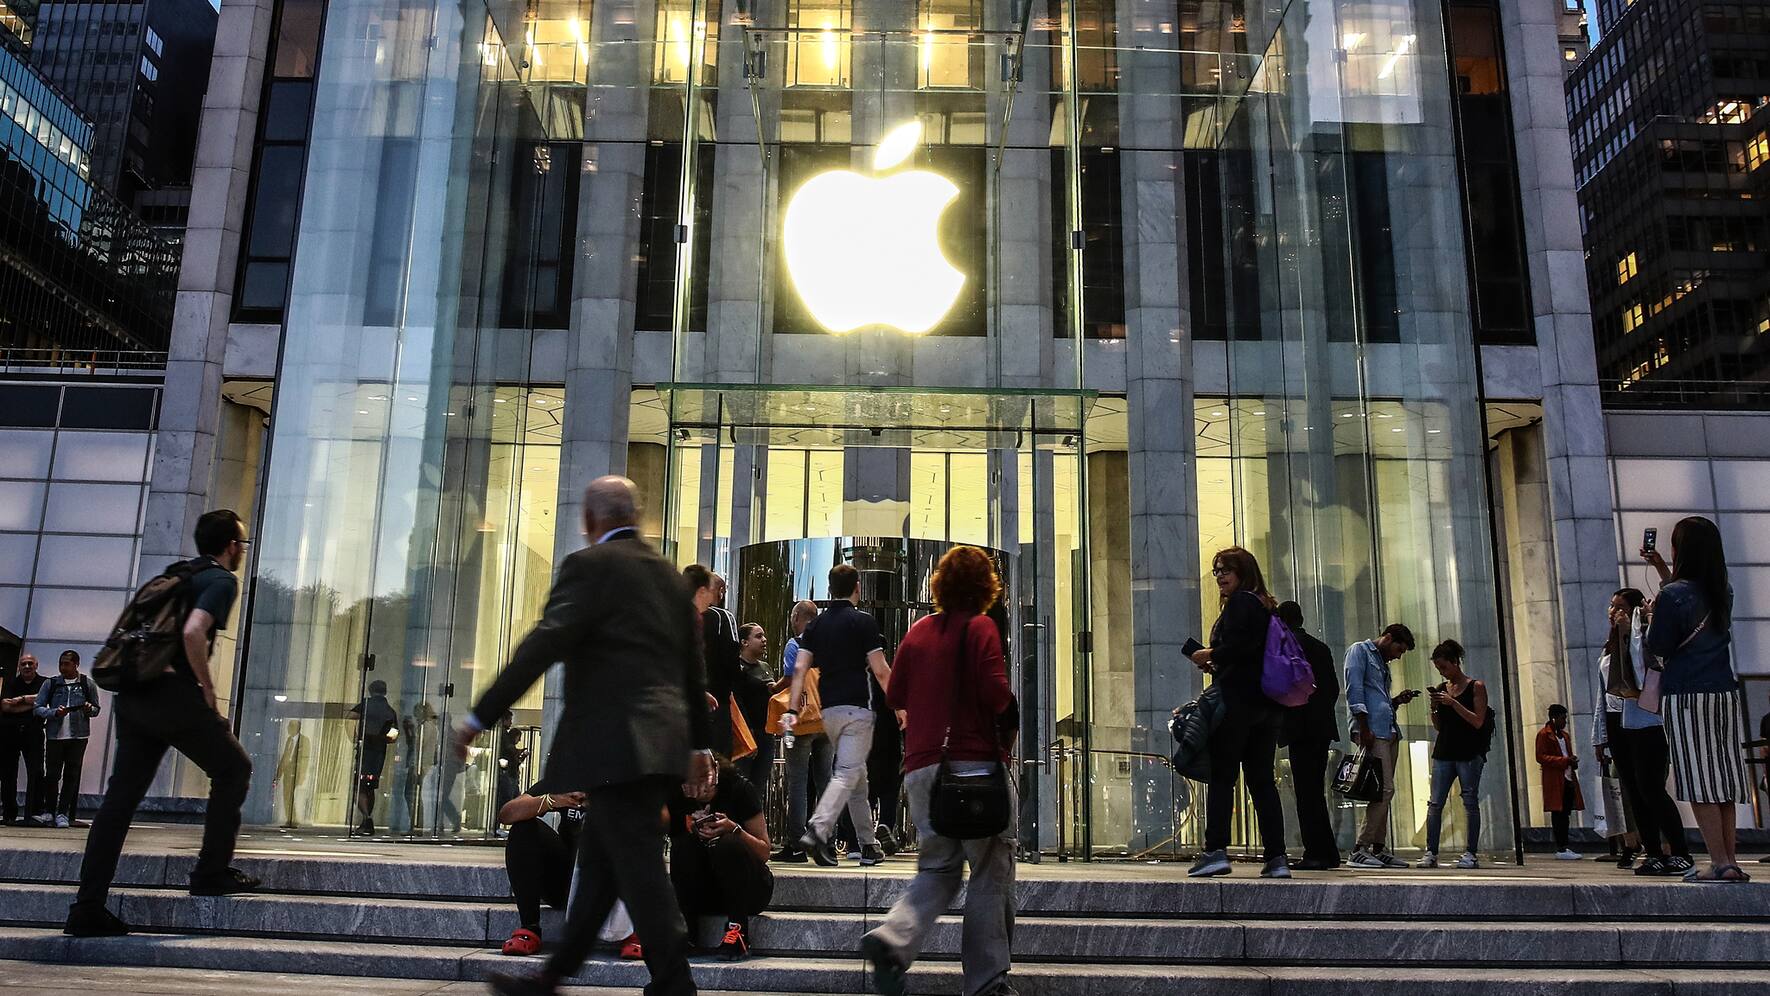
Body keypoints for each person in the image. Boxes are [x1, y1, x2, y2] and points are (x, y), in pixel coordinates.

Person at [462, 476, 717, 996]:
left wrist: (479, 716)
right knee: (601, 864)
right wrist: (697, 744)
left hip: (614, 744)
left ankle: (675, 983)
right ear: (636, 516)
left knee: (640, 866)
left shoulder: (588, 567)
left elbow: (543, 644)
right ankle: (551, 980)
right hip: (660, 744)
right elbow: (693, 669)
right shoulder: (669, 577)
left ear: (589, 519)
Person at [66, 510, 259, 938]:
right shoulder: (221, 580)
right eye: (241, 545)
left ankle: (88, 906)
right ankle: (210, 873)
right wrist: (206, 688)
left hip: (134, 696)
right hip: (173, 696)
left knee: (119, 802)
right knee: (233, 768)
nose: (241, 552)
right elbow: (194, 632)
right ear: (230, 545)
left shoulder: (175, 574)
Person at [860, 545, 1017, 996]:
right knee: (989, 870)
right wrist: (1007, 712)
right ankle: (986, 982)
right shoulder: (981, 628)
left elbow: (896, 696)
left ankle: (893, 940)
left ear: (940, 585)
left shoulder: (919, 631)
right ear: (986, 587)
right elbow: (995, 693)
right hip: (973, 769)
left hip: (923, 768)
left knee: (938, 868)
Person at [1644, 515, 1750, 882]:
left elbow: (1657, 648)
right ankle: (1730, 859)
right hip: (1724, 693)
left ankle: (1718, 862)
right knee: (1722, 777)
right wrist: (1660, 568)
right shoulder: (1725, 590)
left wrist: (1649, 620)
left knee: (1699, 777)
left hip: (1686, 695)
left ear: (1680, 550)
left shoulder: (1672, 596)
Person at [1188, 546, 1290, 879]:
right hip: (1266, 706)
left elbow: (1242, 649)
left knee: (1223, 777)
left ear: (1242, 570)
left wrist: (1210, 653)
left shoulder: (1242, 602)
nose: (1219, 575)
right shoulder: (1264, 604)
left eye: (1225, 569)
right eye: (1216, 570)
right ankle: (1276, 857)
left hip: (1237, 703)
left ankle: (1215, 849)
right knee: (1261, 782)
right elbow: (1254, 652)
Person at [783, 563, 891, 868]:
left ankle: (868, 846)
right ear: (857, 586)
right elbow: (881, 671)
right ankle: (819, 827)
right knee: (846, 773)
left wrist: (792, 708)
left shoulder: (815, 626)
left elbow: (800, 669)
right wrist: (901, 705)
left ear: (830, 588)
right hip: (857, 709)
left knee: (857, 778)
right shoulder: (864, 622)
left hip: (828, 711)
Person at [1600, 587, 1692, 877]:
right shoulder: (1611, 642)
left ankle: (1679, 851)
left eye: (1621, 607)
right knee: (1635, 791)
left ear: (1636, 609)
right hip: (1620, 720)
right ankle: (1651, 851)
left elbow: (1643, 672)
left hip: (1648, 719)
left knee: (1652, 788)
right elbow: (1602, 694)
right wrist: (1599, 734)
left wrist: (1632, 631)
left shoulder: (1644, 637)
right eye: (1612, 607)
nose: (1614, 612)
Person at [497, 785, 640, 961]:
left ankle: (635, 931)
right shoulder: (569, 778)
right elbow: (507, 814)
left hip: (612, 883)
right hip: (568, 882)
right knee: (523, 827)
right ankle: (529, 928)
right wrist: (552, 799)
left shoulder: (627, 779)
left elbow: (662, 821)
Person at [668, 756, 774, 961]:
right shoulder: (678, 796)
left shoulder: (740, 789)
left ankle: (738, 932)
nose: (701, 789)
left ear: (715, 770)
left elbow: (764, 852)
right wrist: (689, 827)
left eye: (705, 779)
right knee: (683, 846)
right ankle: (687, 932)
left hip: (748, 889)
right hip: (706, 890)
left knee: (727, 845)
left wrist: (734, 829)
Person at [1345, 622, 1419, 868]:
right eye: (1399, 650)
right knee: (1384, 790)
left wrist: (1396, 700)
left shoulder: (1382, 664)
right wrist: (1363, 727)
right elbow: (1354, 690)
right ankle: (1360, 847)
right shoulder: (1360, 651)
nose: (1398, 656)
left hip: (1387, 730)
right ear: (1388, 639)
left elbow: (1378, 697)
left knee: (1384, 791)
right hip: (1373, 731)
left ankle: (1378, 847)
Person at [1276, 601, 1340, 870]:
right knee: (1315, 791)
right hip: (1321, 727)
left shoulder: (1287, 648)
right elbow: (1333, 688)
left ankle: (1315, 852)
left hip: (1299, 727)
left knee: (1306, 793)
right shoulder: (1320, 647)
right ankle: (1328, 851)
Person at [1421, 640, 1490, 869]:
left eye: (1444, 667)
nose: (1443, 672)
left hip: (1469, 751)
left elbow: (1477, 721)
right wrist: (1435, 707)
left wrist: (1454, 703)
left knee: (1470, 800)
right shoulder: (1443, 688)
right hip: (1444, 750)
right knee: (1435, 803)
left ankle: (1471, 852)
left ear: (1455, 663)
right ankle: (1431, 851)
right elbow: (1440, 726)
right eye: (1439, 669)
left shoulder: (1475, 686)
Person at [773, 600, 832, 863]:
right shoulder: (829, 644)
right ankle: (825, 842)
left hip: (802, 720)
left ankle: (796, 845)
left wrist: (771, 689)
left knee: (797, 782)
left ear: (797, 618)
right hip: (827, 720)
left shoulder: (795, 643)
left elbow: (790, 679)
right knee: (826, 781)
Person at [35, 650, 100, 828]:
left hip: (78, 736)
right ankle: (49, 811)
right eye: (61, 663)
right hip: (55, 736)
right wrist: (54, 712)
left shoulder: (87, 684)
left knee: (71, 775)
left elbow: (96, 709)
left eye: (67, 663)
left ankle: (63, 812)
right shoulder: (51, 683)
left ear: (76, 664)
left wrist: (88, 709)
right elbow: (38, 708)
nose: (63, 667)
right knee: (52, 775)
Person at [687, 565, 738, 757]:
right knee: (718, 759)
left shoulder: (675, 614)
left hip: (688, 702)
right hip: (716, 701)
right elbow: (731, 659)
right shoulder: (722, 617)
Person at [1, 652, 49, 827]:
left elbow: (43, 702)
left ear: (36, 665)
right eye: (24, 664)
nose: (27, 667)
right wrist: (31, 704)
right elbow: (5, 706)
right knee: (7, 774)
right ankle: (9, 813)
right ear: (19, 667)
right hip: (9, 732)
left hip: (33, 732)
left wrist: (21, 700)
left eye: (30, 663)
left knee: (36, 772)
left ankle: (35, 812)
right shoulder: (11, 682)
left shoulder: (45, 683)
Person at [732, 624, 775, 812]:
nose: (764, 640)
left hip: (766, 733)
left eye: (764, 636)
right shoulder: (736, 668)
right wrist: (746, 729)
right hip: (745, 734)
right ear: (744, 642)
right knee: (741, 783)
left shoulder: (765, 667)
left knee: (759, 786)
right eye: (758, 636)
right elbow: (736, 700)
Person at [347, 679, 399, 834]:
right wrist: (382, 738)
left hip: (366, 750)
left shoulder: (367, 704)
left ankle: (367, 818)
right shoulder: (390, 710)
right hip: (379, 753)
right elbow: (394, 735)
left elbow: (350, 717)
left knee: (360, 787)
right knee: (370, 787)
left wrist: (356, 737)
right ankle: (366, 820)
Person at [1536, 704, 1585, 859]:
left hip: (1567, 777)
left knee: (1565, 812)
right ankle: (1561, 847)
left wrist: (1571, 761)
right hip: (1555, 779)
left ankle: (1565, 845)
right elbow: (1541, 756)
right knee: (1558, 813)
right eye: (1562, 718)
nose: (1564, 721)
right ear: (1554, 718)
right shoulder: (1544, 734)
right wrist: (1564, 761)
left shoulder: (1564, 736)